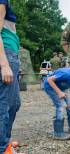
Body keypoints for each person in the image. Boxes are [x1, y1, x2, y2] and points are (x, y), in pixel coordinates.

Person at [0, 1, 22, 153]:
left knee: (14, 103)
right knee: (5, 105)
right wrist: (4, 64)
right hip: (6, 54)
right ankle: (2, 147)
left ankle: (5, 142)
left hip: (10, 54)